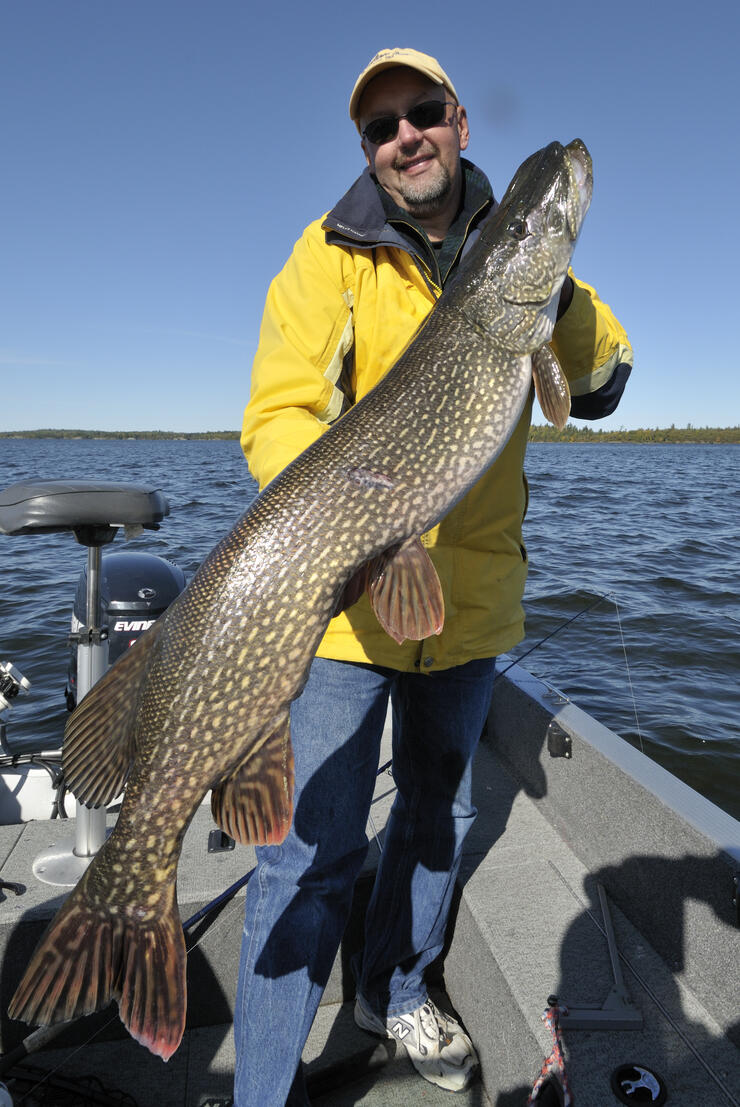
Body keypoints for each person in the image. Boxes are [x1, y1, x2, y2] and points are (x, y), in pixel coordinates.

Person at [235, 47, 633, 1106]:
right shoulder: (327, 256)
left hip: (469, 612)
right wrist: (350, 509)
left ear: (456, 121)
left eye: (421, 113)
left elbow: (595, 388)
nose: (403, 135)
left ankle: (392, 988)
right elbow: (276, 414)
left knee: (432, 821)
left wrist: (548, 286)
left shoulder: (517, 259)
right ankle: (261, 1088)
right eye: (381, 127)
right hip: (347, 615)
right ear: (367, 150)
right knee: (300, 859)